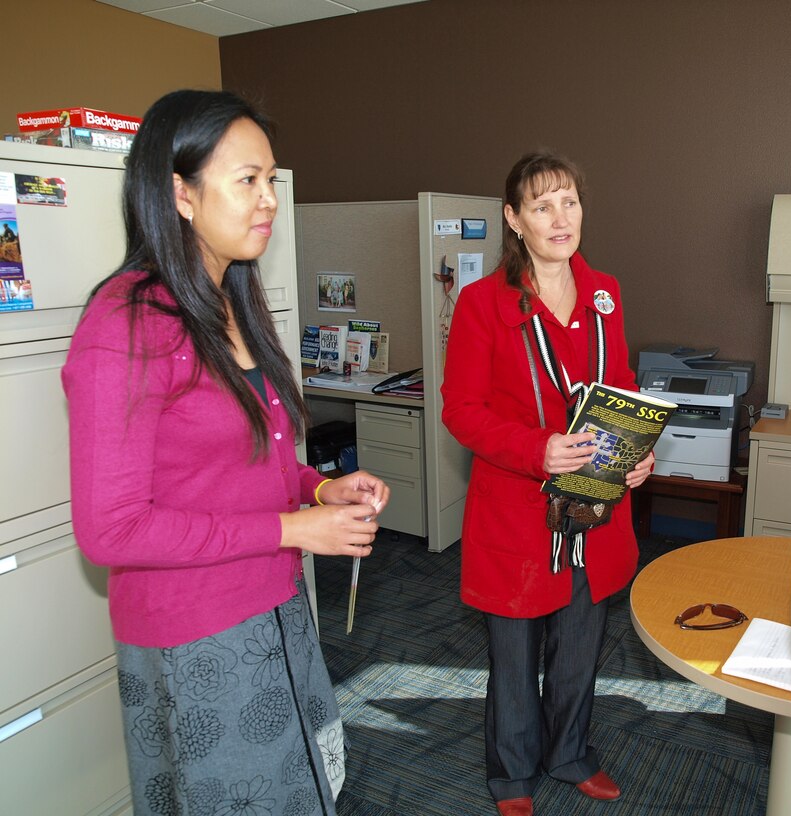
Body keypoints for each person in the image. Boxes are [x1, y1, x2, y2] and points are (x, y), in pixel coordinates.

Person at [62, 89, 390, 815]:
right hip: (197, 633)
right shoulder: (127, 322)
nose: (268, 200)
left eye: (271, 180)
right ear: (179, 192)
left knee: (302, 790)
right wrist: (291, 529)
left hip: (274, 604)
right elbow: (110, 528)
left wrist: (314, 491)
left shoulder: (229, 299)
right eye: (248, 181)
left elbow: (242, 463)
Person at [441, 152, 653, 816]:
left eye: (569, 201)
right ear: (514, 218)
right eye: (541, 205)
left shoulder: (605, 294)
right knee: (513, 651)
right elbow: (460, 410)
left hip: (594, 507)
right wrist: (539, 449)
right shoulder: (481, 304)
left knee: (581, 644)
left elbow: (617, 385)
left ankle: (569, 754)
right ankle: (511, 773)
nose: (561, 219)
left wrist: (633, 454)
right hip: (517, 508)